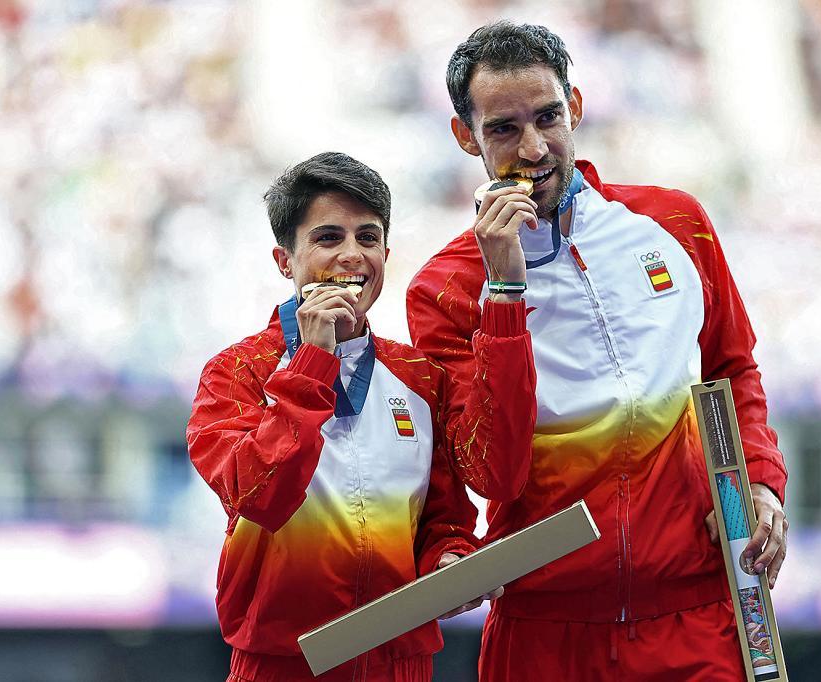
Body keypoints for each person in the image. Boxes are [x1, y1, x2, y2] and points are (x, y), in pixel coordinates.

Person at [406, 22, 789, 681]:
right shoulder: (445, 289)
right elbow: (492, 474)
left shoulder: (675, 223)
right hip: (545, 635)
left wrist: (758, 481)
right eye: (504, 129)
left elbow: (732, 368)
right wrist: (504, 291)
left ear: (576, 107)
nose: (533, 148)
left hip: (696, 614)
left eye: (547, 117)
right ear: (466, 136)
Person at [186, 151, 536, 681]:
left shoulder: (420, 376)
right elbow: (261, 498)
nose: (352, 256)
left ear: (386, 255)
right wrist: (312, 361)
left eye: (368, 238)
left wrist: (449, 558)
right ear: (285, 261)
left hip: (402, 663)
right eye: (329, 238)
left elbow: (444, 519)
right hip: (284, 666)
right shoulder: (235, 374)